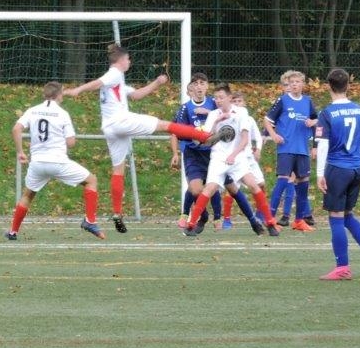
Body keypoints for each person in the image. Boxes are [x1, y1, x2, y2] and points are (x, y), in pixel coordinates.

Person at [64, 43, 229, 233]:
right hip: (121, 121)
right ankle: (205, 136)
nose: (129, 62)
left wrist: (157, 82)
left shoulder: (118, 81)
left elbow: (136, 95)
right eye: (128, 59)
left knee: (118, 169)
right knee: (164, 125)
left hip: (110, 128)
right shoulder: (114, 73)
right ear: (121, 60)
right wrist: (77, 90)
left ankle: (117, 213)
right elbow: (98, 82)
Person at [6, 82, 106, 240]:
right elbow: (71, 142)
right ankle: (90, 221)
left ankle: (13, 232)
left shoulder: (32, 110)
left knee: (27, 195)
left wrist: (20, 152)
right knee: (91, 180)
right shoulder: (62, 114)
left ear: (44, 94)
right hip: (58, 162)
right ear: (59, 95)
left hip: (37, 163)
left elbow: (16, 129)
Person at [181, 84, 280, 237]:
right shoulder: (213, 114)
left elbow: (245, 139)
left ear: (229, 98)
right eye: (216, 98)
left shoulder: (241, 113)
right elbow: (205, 140)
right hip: (218, 158)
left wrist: (233, 155)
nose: (218, 100)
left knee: (254, 185)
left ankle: (270, 223)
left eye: (221, 97)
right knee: (209, 189)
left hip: (238, 158)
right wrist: (217, 121)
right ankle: (191, 225)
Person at [315, 68, 360, 280]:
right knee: (347, 215)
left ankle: (342, 268)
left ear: (329, 86)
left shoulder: (327, 113)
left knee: (336, 217)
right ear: (348, 85)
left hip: (337, 168)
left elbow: (323, 145)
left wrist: (320, 173)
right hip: (356, 168)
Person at [265, 70, 317, 232]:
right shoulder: (283, 100)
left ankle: (299, 220)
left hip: (303, 150)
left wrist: (315, 144)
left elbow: (316, 121)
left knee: (303, 184)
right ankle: (270, 218)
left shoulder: (308, 101)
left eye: (297, 82)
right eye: (292, 82)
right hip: (286, 148)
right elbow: (267, 120)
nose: (294, 84)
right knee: (282, 181)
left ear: (303, 84)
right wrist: (274, 135)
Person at [169, 73, 222, 230]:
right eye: (196, 83)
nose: (199, 86)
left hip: (212, 152)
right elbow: (177, 131)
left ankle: (218, 217)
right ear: (191, 87)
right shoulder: (185, 108)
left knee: (213, 186)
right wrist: (176, 152)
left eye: (202, 83)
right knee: (195, 189)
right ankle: (201, 215)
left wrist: (209, 114)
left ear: (207, 86)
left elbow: (227, 118)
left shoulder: (214, 104)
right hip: (192, 153)